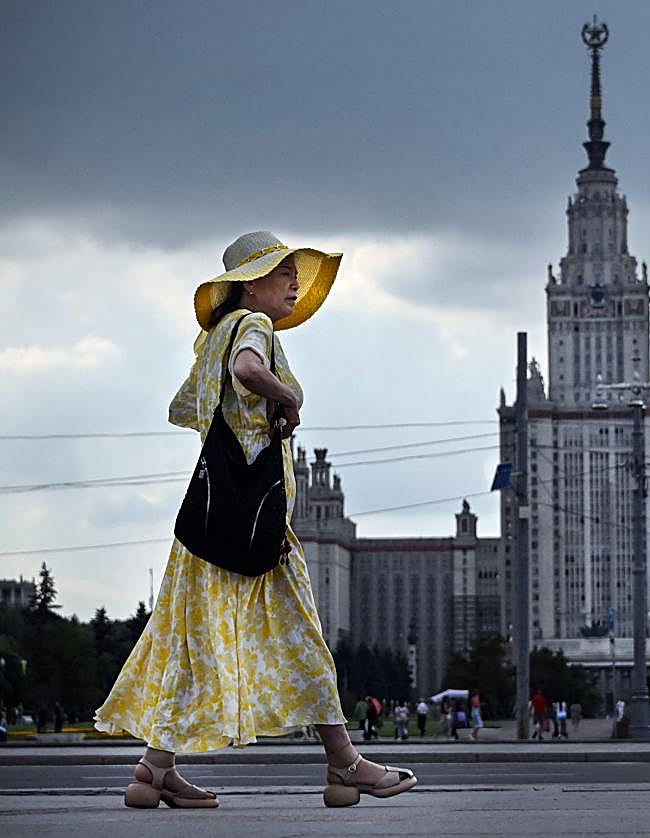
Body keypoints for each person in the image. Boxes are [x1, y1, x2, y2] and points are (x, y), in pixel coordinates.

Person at [94, 232, 415, 809]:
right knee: (304, 636)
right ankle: (346, 766)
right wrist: (289, 399)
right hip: (256, 525)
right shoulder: (252, 328)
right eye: (283, 271)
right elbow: (248, 371)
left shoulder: (211, 337)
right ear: (249, 282)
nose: (294, 282)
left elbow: (192, 408)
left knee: (191, 645)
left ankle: (155, 769)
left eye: (296, 272)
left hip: (208, 525)